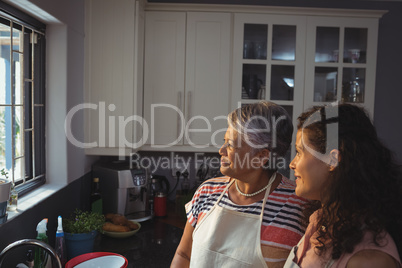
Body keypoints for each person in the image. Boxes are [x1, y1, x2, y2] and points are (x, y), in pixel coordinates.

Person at [171, 101, 308, 268]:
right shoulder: (207, 191)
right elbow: (183, 254)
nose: (221, 151)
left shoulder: (299, 206)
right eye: (224, 141)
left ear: (261, 156)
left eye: (230, 145)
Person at [285, 103, 402, 267]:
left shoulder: (369, 259)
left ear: (332, 160)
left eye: (299, 152)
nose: (292, 164)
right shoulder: (320, 222)